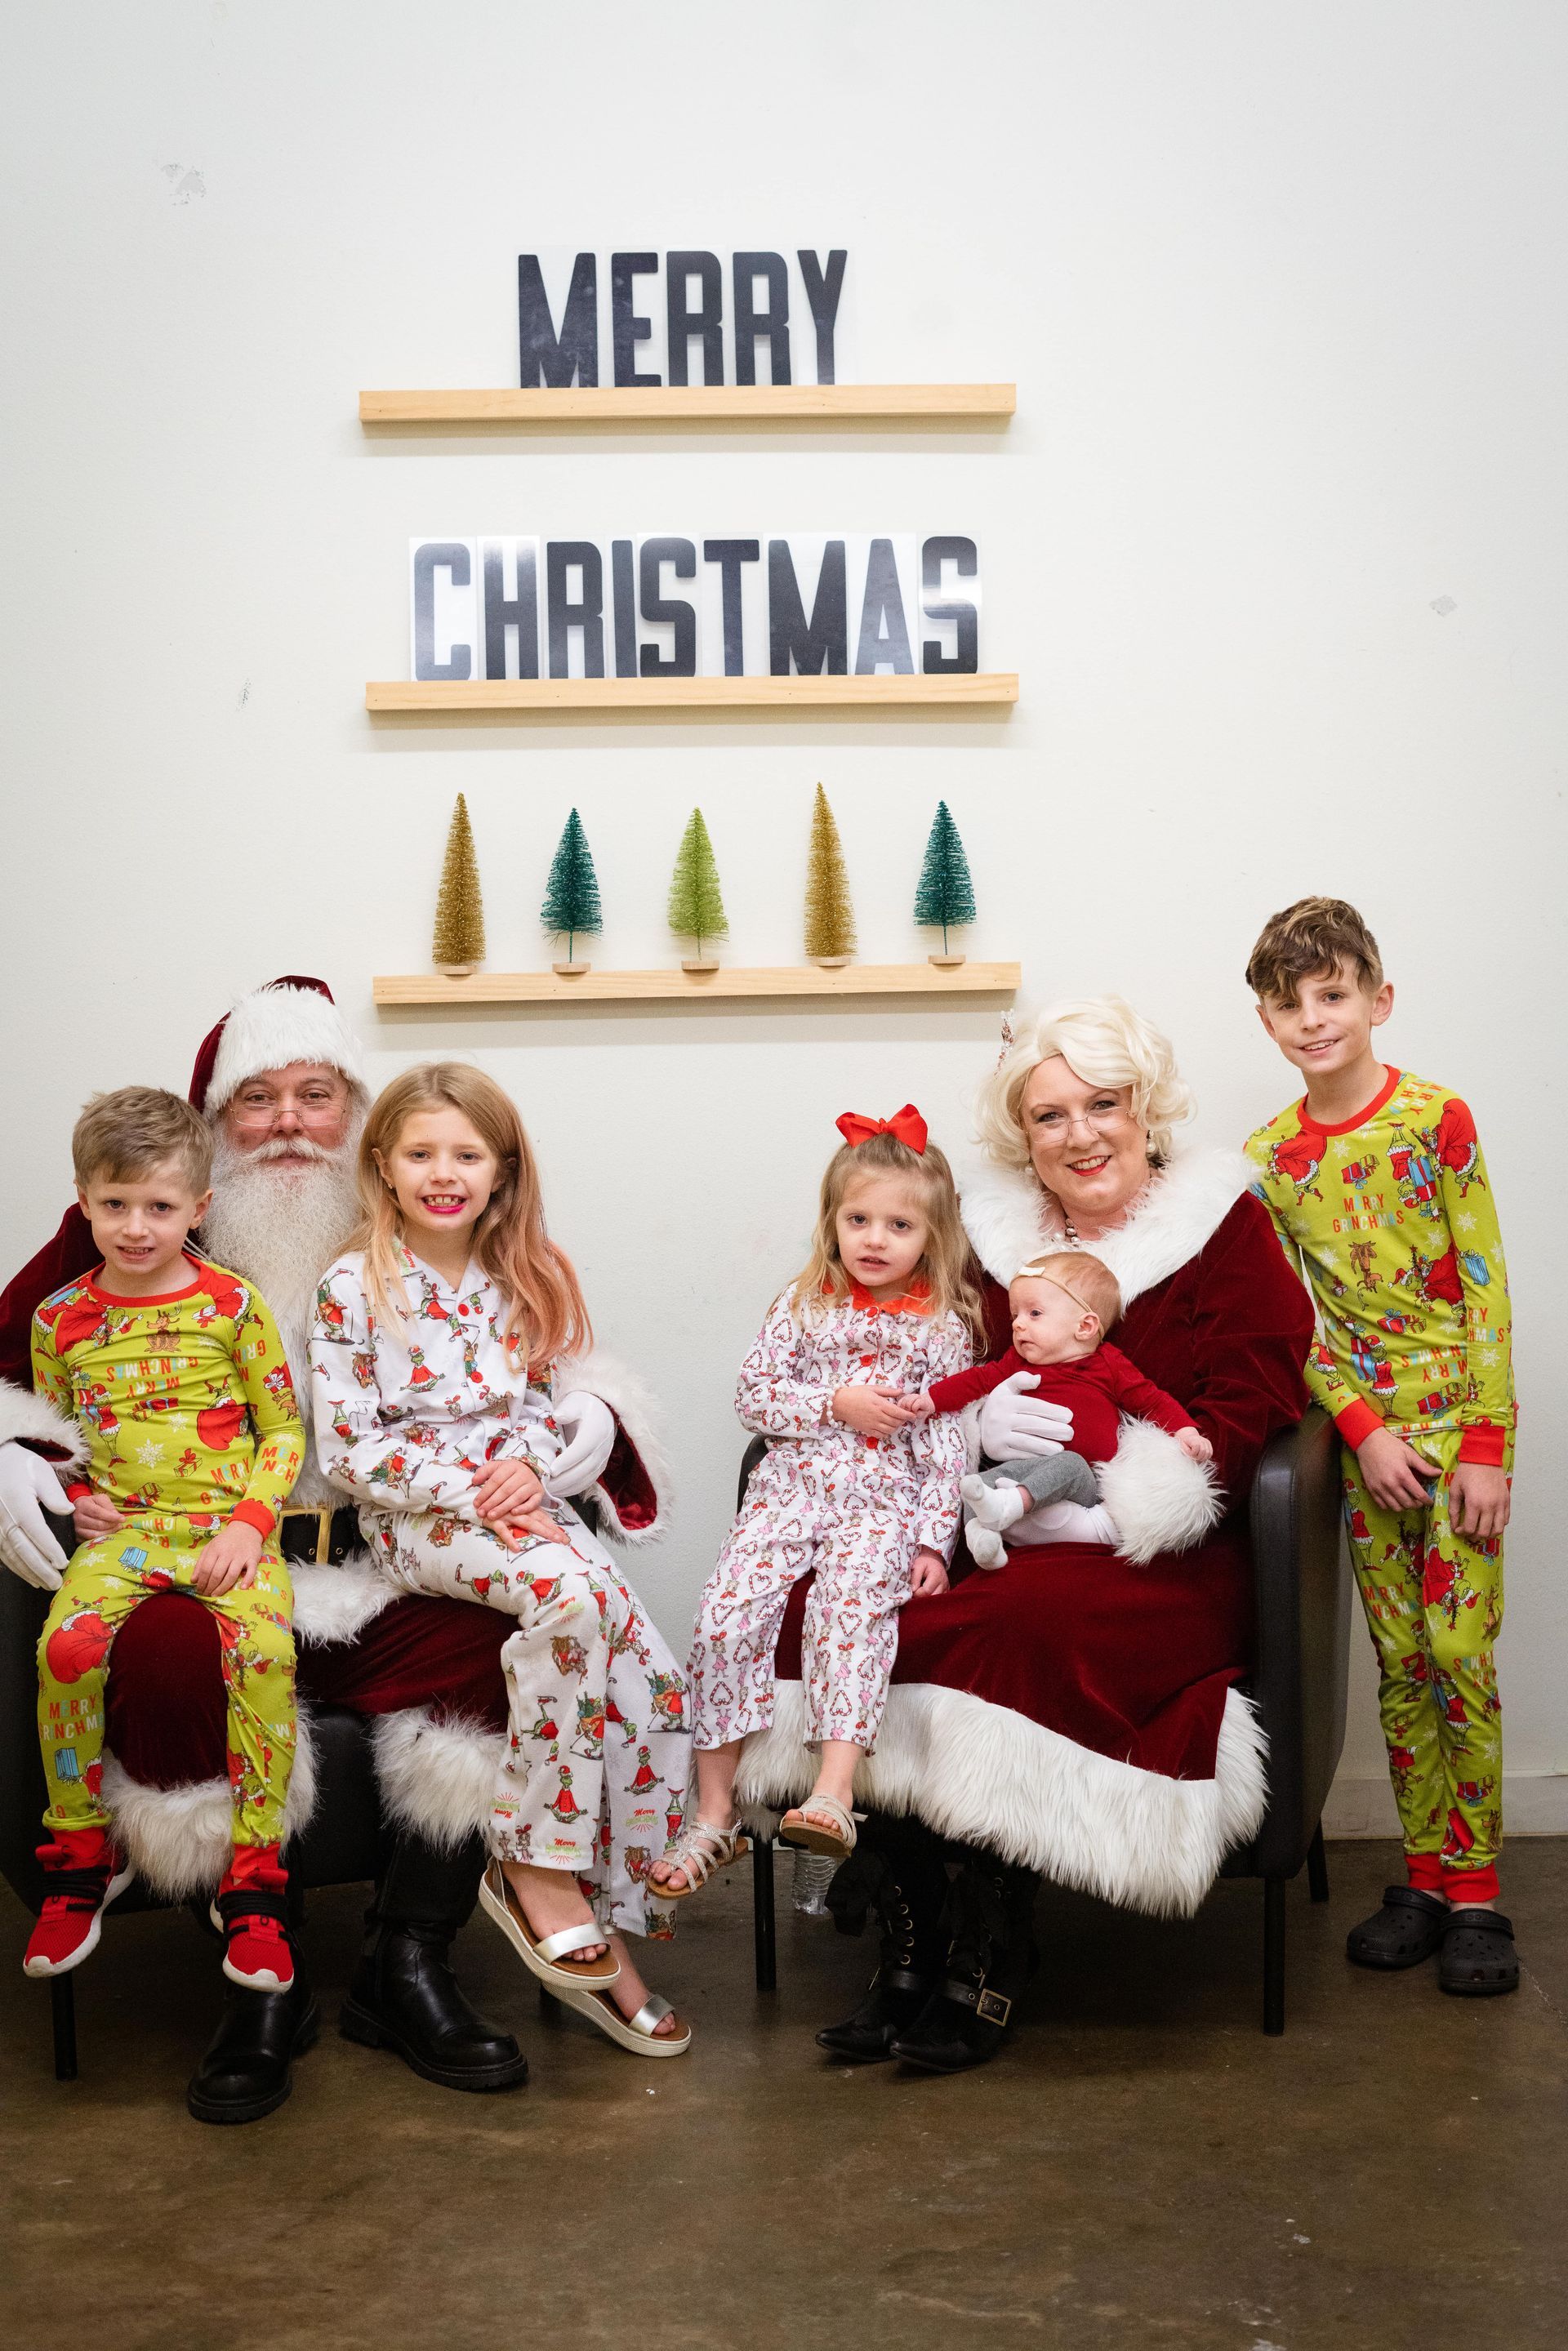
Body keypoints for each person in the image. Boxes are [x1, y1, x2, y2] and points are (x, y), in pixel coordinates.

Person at [0, 976, 670, 2121]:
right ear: (213, 1125)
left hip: (386, 1561)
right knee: (162, 1656)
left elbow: (548, 1361)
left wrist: (591, 1420)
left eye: (318, 1092)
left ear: (357, 1113)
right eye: (258, 1097)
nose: (291, 1122)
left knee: (507, 1639)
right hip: (200, 1561)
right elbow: (18, 1356)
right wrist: (12, 1444)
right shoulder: (144, 1213)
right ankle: (263, 1971)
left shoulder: (426, 1217)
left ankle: (407, 1960)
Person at [736, 997, 1314, 2073]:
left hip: (1156, 1546)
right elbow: (913, 1360)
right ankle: (911, 1926)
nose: (1081, 1134)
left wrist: (1124, 1476)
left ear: (1147, 1107)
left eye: (1103, 1104)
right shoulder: (987, 1240)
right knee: (837, 1604)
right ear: (1023, 1135)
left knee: (1031, 1622)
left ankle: (989, 1939)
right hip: (984, 1518)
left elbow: (1259, 1396)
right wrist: (965, 1427)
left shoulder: (1224, 1222)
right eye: (1051, 1115)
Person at [310, 1062, 692, 2058]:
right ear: (384, 1166)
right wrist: (477, 1483)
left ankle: (609, 1933)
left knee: (647, 1662)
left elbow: (537, 1408)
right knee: (570, 1599)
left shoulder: (529, 1271)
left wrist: (529, 1460)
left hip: (514, 1506)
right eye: (421, 1152)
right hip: (418, 1520)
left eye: (466, 1154)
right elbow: (352, 1450)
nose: (445, 1172)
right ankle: (534, 1866)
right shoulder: (355, 1284)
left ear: (502, 1168)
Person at [1244, 897, 1518, 1996]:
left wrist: (1489, 1443)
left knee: (1460, 1658)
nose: (1314, 1019)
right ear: (1266, 1020)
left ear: (1377, 999)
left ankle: (1480, 1892)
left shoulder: (1437, 1118)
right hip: (1371, 1448)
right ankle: (1421, 1878)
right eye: (1289, 1003)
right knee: (1402, 1663)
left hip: (1461, 1436)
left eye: (1333, 994)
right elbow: (1296, 1322)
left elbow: (1488, 1288)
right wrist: (1359, 1426)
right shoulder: (1271, 1159)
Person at [652, 1106, 976, 1899]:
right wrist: (839, 1401)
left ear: (931, 1235)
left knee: (852, 1607)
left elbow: (944, 1445)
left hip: (884, 1501)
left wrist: (935, 1540)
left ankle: (834, 1789)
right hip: (791, 1489)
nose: (875, 1237)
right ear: (832, 1223)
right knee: (727, 1610)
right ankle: (715, 1811)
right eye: (858, 1217)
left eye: (898, 1223)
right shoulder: (801, 1304)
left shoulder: (943, 1327)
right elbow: (755, 1394)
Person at [25, 1088, 304, 1993]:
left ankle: (255, 1885)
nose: (135, 1227)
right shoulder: (58, 1320)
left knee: (262, 1655)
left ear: (199, 1208)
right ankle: (77, 1857)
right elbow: (54, 1432)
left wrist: (249, 1524)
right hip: (124, 1538)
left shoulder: (233, 1305)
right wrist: (72, 1493)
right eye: (114, 1204)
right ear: (83, 1201)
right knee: (64, 1649)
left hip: (227, 1532)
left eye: (159, 1206)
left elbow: (284, 1432)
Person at [912, 1251, 1213, 1566]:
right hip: (1021, 1474)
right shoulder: (1017, 1364)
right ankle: (982, 1537)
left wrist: (1185, 1429)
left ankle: (1008, 1509)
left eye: (1034, 1313)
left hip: (1080, 1485)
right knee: (976, 1484)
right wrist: (932, 1399)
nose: (1017, 1325)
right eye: (1015, 1315)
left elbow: (1150, 1400)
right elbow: (977, 1380)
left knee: (1068, 1463)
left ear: (1084, 1326)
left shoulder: (1109, 1364)